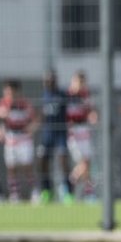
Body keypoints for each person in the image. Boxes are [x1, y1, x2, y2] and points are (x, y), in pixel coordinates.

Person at [0, 79, 39, 203]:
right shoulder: (4, 104)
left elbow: (36, 119)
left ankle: (35, 191)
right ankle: (15, 194)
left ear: (16, 91)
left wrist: (32, 128)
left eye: (10, 92)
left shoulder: (25, 104)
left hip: (24, 138)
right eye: (6, 92)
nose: (8, 95)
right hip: (11, 139)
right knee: (11, 167)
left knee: (27, 166)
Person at [35, 70, 74, 204]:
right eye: (45, 81)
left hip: (60, 133)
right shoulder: (44, 96)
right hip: (47, 133)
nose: (47, 83)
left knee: (63, 161)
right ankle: (46, 190)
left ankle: (67, 192)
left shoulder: (62, 95)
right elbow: (42, 115)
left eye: (50, 80)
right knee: (42, 160)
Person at [65, 71, 99, 200]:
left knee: (87, 164)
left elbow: (91, 111)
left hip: (85, 131)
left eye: (83, 83)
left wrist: (93, 116)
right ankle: (71, 183)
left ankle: (88, 192)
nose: (81, 85)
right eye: (78, 82)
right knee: (83, 163)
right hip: (74, 133)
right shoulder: (67, 96)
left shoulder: (85, 95)